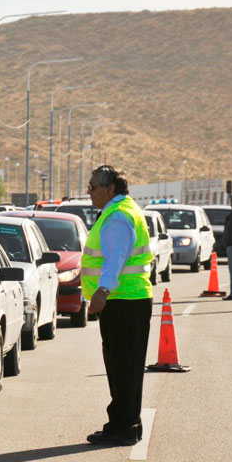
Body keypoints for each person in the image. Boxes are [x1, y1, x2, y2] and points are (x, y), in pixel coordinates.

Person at [82, 165, 154, 446]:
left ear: (110, 188)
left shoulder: (118, 216)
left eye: (93, 186)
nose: (89, 192)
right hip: (127, 301)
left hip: (124, 301)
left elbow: (116, 257)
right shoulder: (123, 210)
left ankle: (123, 427)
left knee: (123, 367)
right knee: (126, 367)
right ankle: (126, 424)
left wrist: (102, 290)